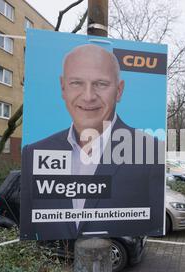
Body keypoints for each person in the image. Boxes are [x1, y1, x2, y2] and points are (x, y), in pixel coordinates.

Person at [20, 44, 165, 240]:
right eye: (77, 83)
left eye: (101, 84)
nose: (88, 97)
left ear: (119, 91)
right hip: (53, 267)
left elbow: (153, 227)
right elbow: (29, 229)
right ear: (63, 88)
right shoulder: (34, 153)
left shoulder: (149, 151)